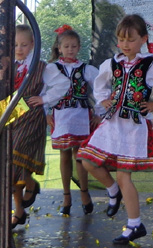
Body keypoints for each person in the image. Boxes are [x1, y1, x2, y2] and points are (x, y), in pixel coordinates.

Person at [76, 14, 153, 245]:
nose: (125, 44)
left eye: (131, 39)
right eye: (121, 39)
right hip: (112, 123)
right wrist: (104, 99)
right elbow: (100, 85)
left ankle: (135, 224)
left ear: (143, 39)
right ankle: (113, 190)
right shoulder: (110, 63)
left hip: (133, 128)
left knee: (124, 175)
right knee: (86, 160)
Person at [28, 25, 100, 216]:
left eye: (74, 46)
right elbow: (42, 91)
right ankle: (66, 195)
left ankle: (84, 193)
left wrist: (99, 111)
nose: (70, 49)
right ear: (59, 48)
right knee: (64, 154)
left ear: (78, 48)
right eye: (66, 46)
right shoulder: (51, 68)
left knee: (80, 155)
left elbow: (101, 87)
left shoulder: (85, 69)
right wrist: (46, 112)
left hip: (81, 116)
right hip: (60, 115)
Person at [11, 24, 47, 229]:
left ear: (33, 45)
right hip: (9, 111)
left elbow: (59, 85)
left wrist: (45, 99)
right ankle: (19, 210)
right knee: (10, 162)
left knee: (15, 156)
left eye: (24, 44)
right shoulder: (8, 65)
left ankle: (29, 187)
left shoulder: (41, 66)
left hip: (30, 113)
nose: (19, 49)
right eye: (15, 45)